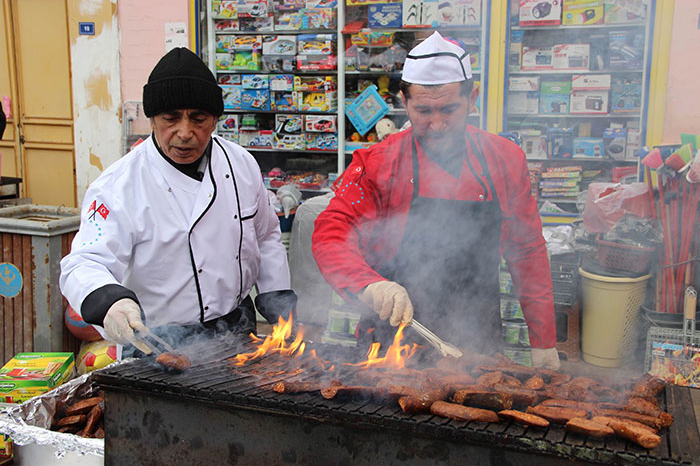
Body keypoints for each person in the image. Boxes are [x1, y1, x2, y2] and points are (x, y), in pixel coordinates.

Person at [311, 32, 559, 369]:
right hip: (391, 342)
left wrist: (544, 342)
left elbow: (527, 250)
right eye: (424, 110)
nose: (437, 124)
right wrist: (368, 284)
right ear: (403, 100)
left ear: (473, 97)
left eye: (449, 109)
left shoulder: (505, 159)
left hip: (477, 341)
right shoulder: (377, 162)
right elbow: (331, 231)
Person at [60, 47, 296, 353]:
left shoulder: (242, 164)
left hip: (236, 330)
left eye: (198, 119)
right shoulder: (118, 186)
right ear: (152, 120)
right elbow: (84, 262)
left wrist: (276, 297)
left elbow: (265, 236)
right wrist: (111, 302)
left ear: (215, 121)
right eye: (171, 118)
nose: (185, 133)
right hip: (157, 341)